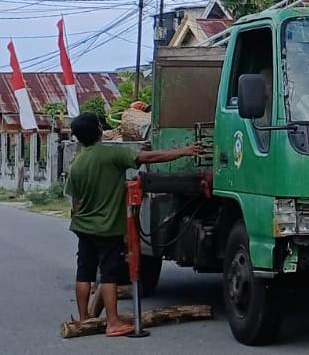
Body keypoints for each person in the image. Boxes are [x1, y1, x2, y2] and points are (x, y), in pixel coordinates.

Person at [66, 112, 205, 337]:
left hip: (83, 227)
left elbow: (76, 203)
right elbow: (149, 158)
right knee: (110, 275)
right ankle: (112, 322)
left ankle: (84, 319)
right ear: (99, 131)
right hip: (107, 227)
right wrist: (183, 151)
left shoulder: (77, 164)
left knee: (85, 273)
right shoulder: (111, 155)